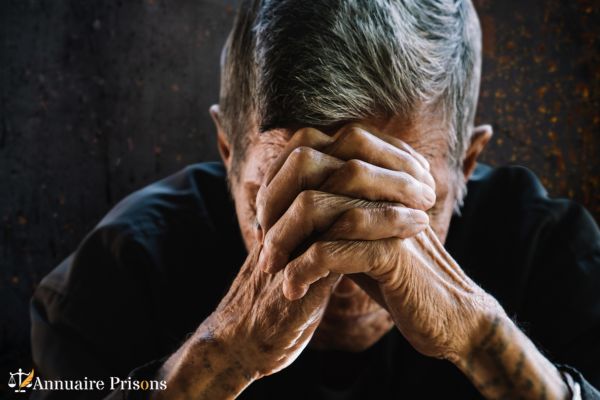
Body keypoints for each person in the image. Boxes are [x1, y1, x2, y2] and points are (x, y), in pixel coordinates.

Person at [31, 0, 600, 399]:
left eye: (391, 194)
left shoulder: (556, 257)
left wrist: (479, 336)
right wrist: (219, 359)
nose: (343, 260)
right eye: (287, 197)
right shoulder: (117, 277)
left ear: (468, 164)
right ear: (228, 152)